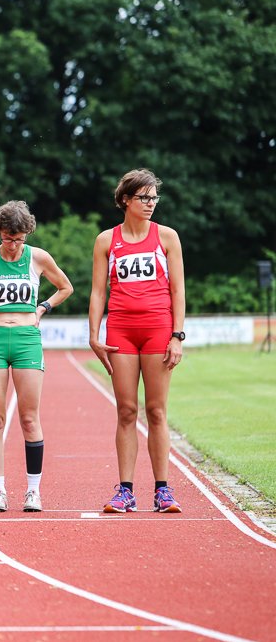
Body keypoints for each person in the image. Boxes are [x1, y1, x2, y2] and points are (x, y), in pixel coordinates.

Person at [0, 201, 73, 513]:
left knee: (29, 418)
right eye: (8, 238)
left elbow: (65, 287)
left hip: (26, 340)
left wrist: (42, 308)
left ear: (27, 234)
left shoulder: (38, 257)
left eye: (19, 239)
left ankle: (33, 491)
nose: (13, 245)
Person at [89, 169, 185, 514]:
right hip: (121, 331)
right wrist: (94, 336)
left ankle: (163, 491)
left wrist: (177, 335)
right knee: (126, 411)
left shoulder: (167, 237)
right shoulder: (106, 240)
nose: (151, 203)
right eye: (144, 197)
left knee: (156, 411)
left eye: (154, 197)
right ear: (125, 200)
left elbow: (178, 290)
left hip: (158, 329)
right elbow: (98, 292)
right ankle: (125, 491)